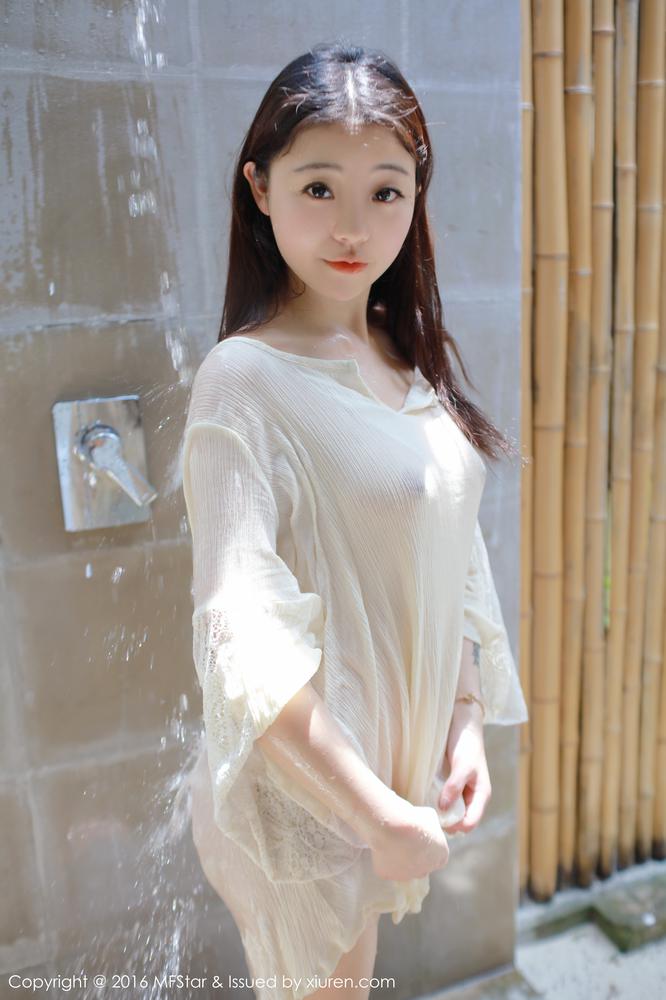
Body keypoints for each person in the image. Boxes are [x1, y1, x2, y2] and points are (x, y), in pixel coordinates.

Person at [180, 41, 529, 1000]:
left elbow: (448, 550)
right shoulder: (244, 381)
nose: (353, 225)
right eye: (318, 187)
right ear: (259, 187)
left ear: (417, 196)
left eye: (385, 192)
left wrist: (463, 722)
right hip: (310, 803)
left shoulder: (399, 351)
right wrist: (374, 814)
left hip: (384, 792)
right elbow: (239, 636)